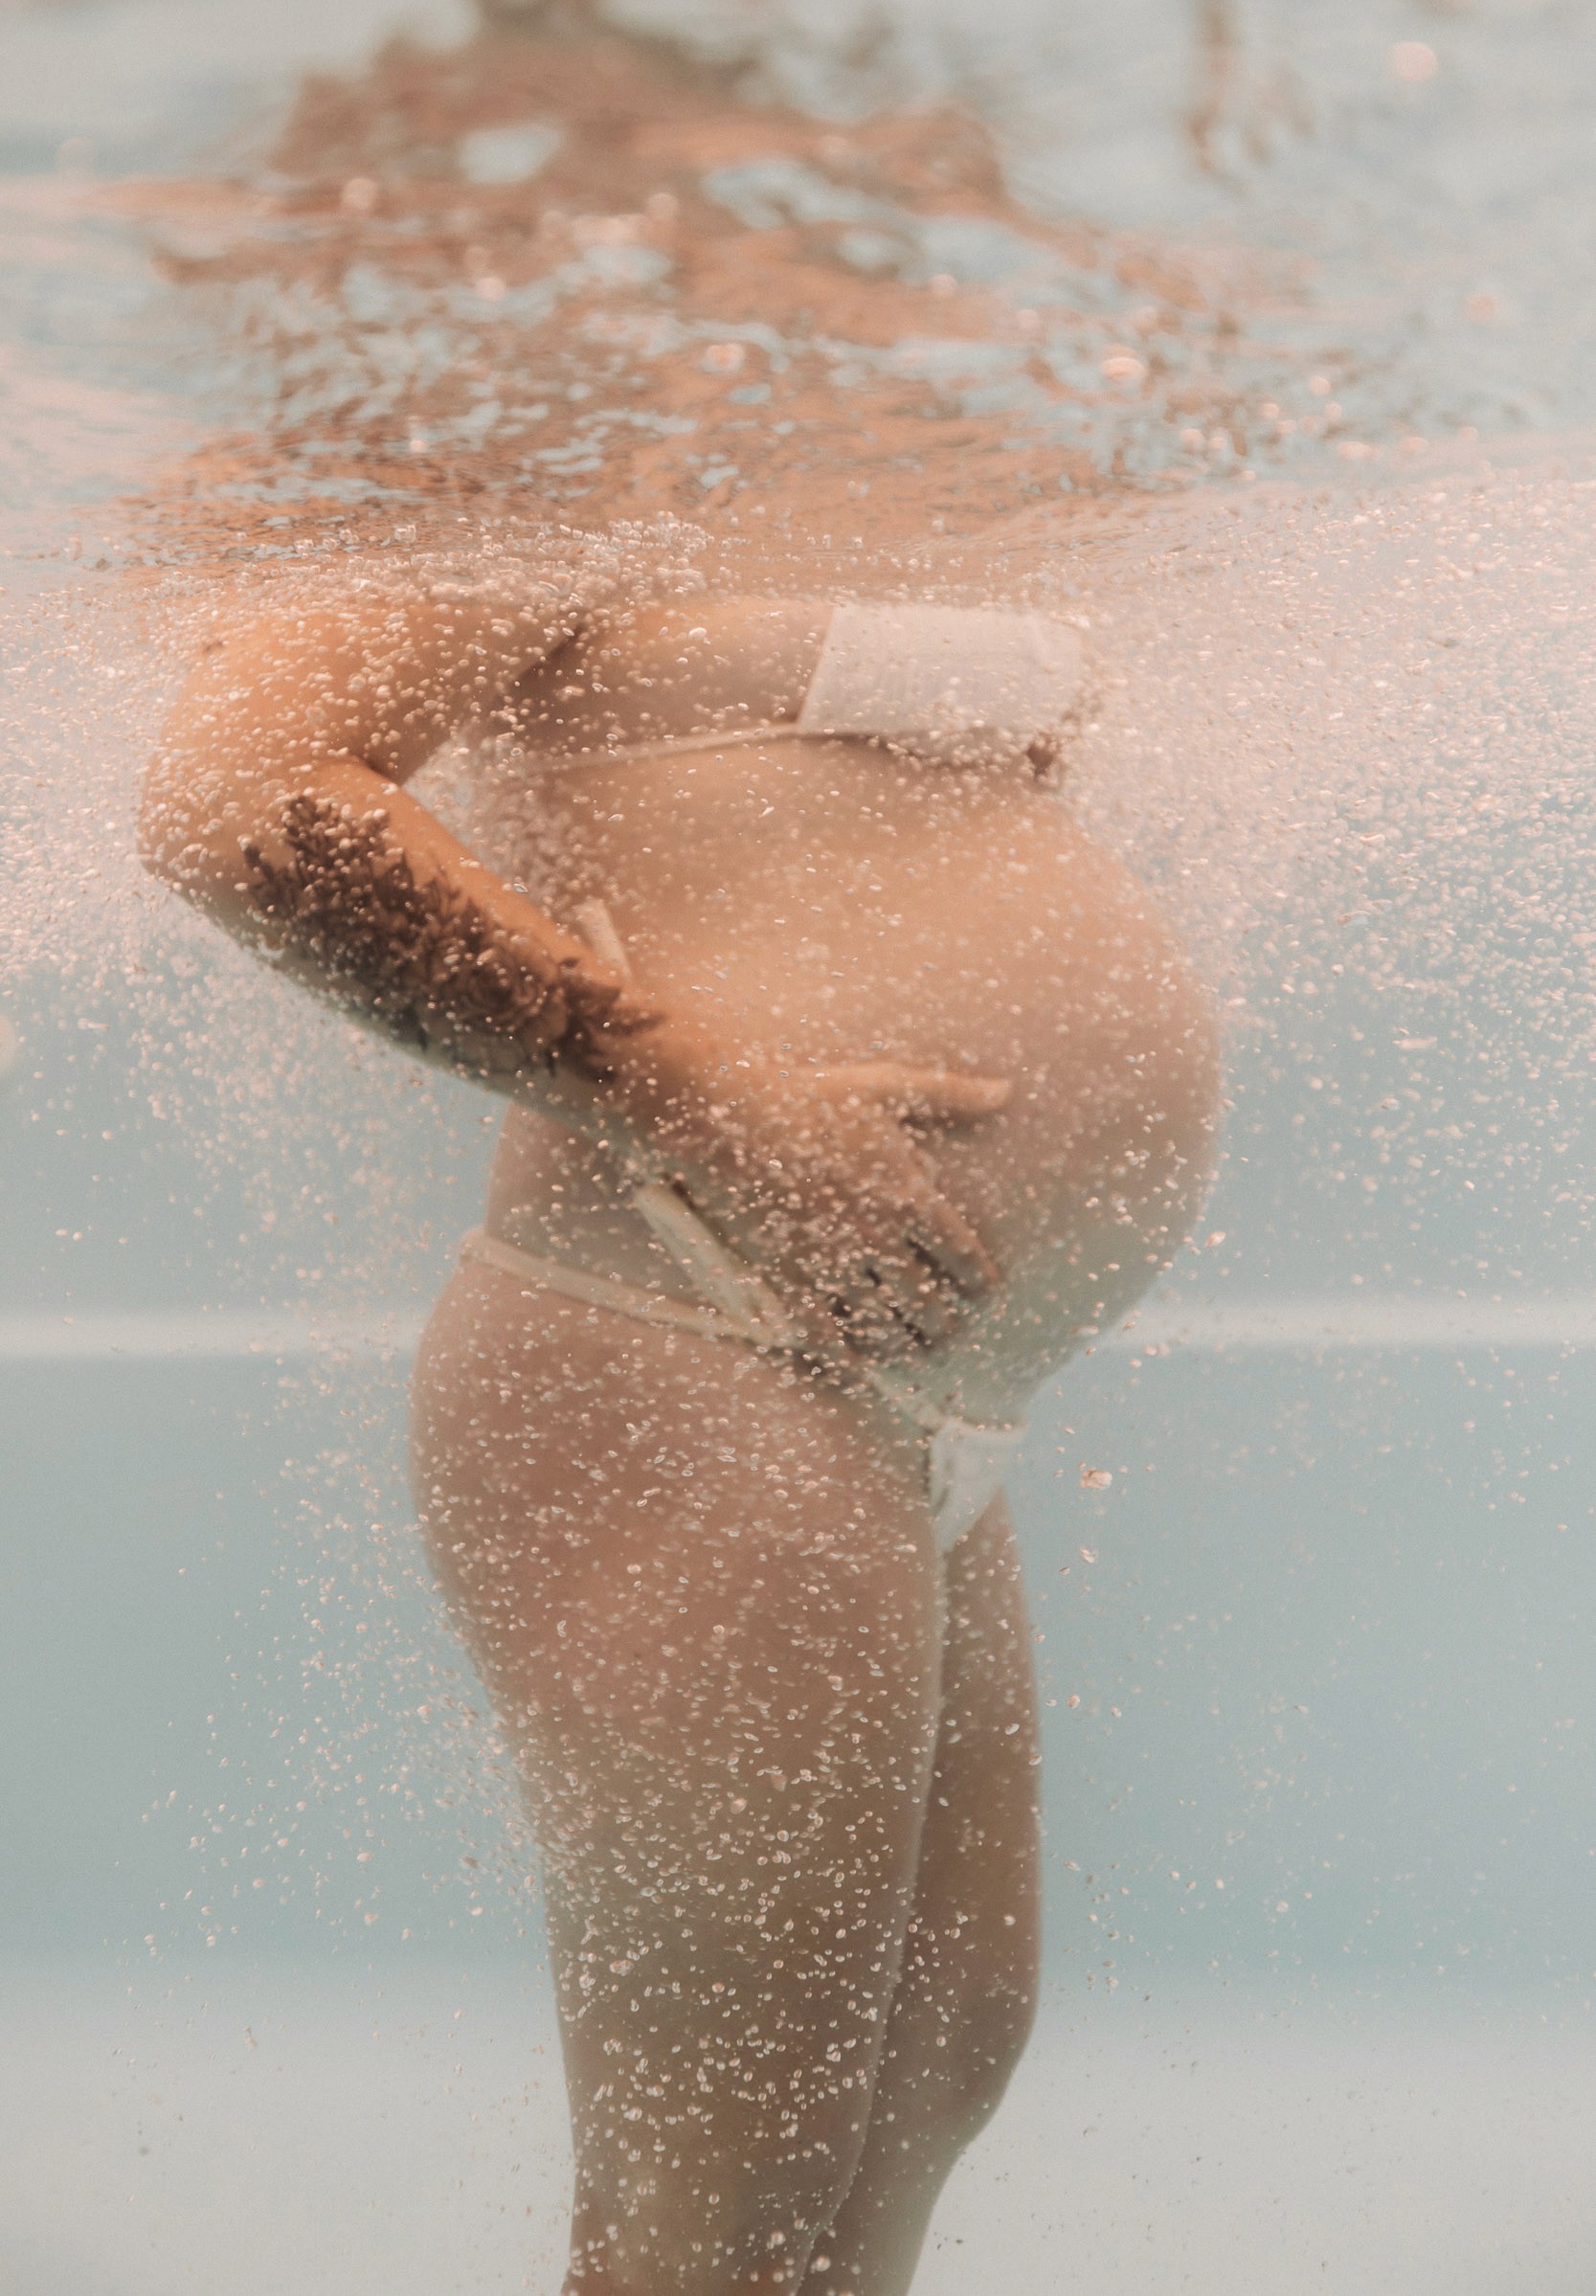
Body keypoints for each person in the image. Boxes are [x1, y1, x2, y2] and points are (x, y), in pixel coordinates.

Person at [140, 554, 1219, 2296]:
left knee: (938, 2059)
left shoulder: (925, 392)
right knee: (727, 2176)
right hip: (685, 1329)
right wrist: (682, 1091)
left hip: (921, 1372)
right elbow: (230, 797)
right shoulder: (497, 438)